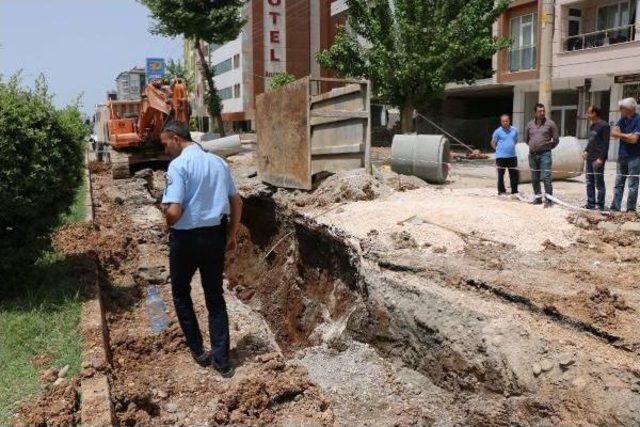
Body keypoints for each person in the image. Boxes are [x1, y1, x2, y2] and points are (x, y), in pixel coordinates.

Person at [161, 120, 243, 378]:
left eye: (165, 143)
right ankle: (222, 361)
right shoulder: (218, 162)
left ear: (175, 138)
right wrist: (232, 235)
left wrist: (165, 216)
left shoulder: (178, 165)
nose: (165, 150)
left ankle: (198, 351)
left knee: (181, 293)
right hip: (215, 236)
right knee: (214, 296)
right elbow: (237, 200)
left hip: (185, 241)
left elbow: (174, 212)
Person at [524, 103, 560, 207]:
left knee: (546, 177)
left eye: (543, 111)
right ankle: (538, 198)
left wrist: (548, 148)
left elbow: (556, 139)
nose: (542, 113)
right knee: (535, 178)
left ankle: (549, 200)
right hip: (532, 155)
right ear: (535, 112)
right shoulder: (530, 125)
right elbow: (526, 139)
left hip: (545, 155)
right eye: (540, 111)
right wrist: (533, 146)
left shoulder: (550, 124)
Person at [610, 97, 640, 212]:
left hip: (634, 156)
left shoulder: (638, 119)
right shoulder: (622, 119)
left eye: (621, 108)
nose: (619, 110)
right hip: (622, 155)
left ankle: (630, 209)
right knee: (618, 183)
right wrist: (627, 135)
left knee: (633, 184)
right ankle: (615, 207)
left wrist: (621, 135)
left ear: (629, 109)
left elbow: (634, 140)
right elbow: (613, 132)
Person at [582, 106, 610, 210]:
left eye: (588, 112)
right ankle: (591, 204)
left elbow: (606, 144)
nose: (587, 115)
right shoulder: (592, 126)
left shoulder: (604, 126)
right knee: (589, 182)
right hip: (590, 158)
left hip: (597, 159)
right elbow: (591, 141)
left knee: (599, 183)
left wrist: (601, 158)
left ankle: (600, 205)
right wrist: (586, 150)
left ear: (594, 113)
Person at [490, 114, 519, 195]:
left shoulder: (514, 130)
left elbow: (515, 140)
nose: (505, 122)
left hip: (512, 156)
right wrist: (497, 150)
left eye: (506, 121)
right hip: (501, 157)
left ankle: (514, 191)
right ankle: (501, 190)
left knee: (514, 174)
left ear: (509, 121)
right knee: (500, 175)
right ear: (501, 122)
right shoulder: (497, 131)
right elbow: (493, 142)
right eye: (503, 121)